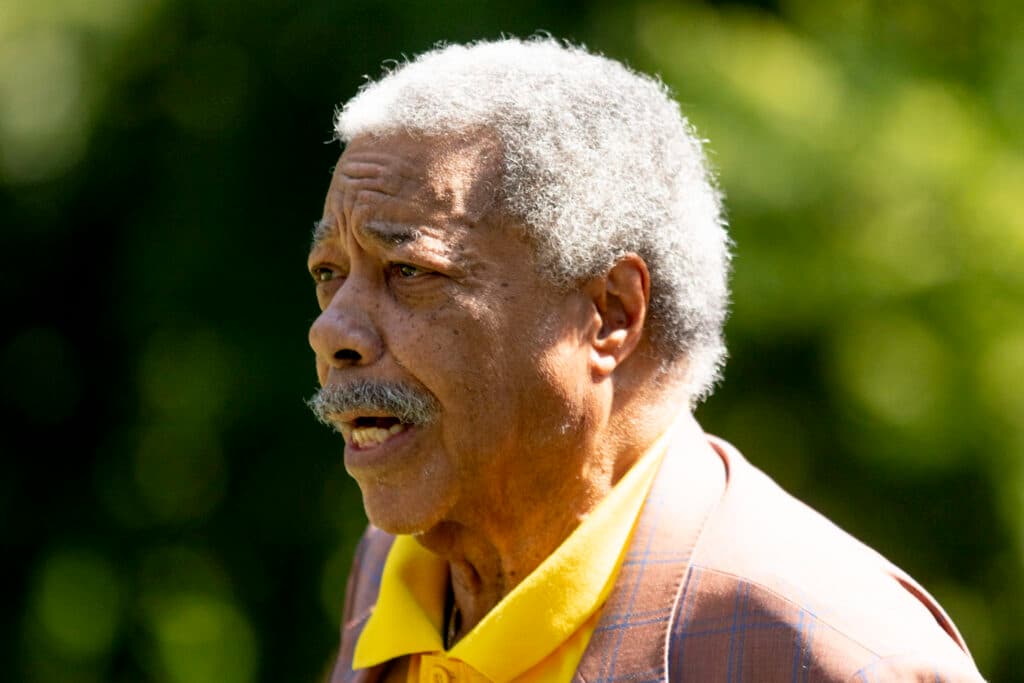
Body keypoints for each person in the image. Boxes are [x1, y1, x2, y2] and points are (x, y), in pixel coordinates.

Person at [306, 38, 984, 683]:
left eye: (409, 271)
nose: (330, 329)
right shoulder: (397, 571)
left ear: (611, 315)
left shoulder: (840, 654)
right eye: (329, 273)